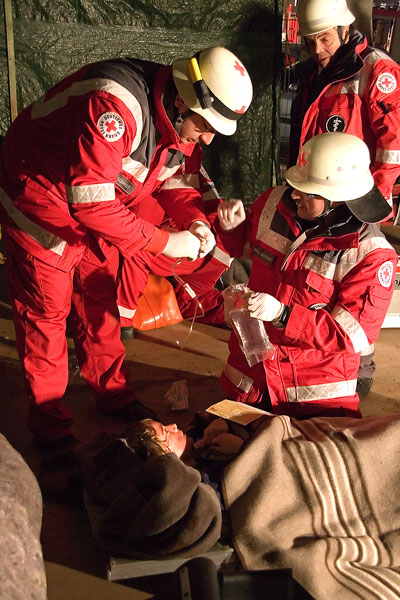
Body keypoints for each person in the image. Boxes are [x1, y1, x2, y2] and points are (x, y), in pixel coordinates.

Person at [0, 46, 252, 451]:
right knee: (47, 312)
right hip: (40, 195)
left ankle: (112, 393)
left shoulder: (179, 118)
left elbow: (177, 180)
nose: (207, 137)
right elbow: (91, 203)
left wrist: (195, 221)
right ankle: (51, 432)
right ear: (183, 100)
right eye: (205, 126)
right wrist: (166, 241)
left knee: (99, 295)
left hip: (94, 199)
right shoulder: (114, 105)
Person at [218, 132, 397, 419]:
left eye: (308, 191)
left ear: (338, 199)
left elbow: (349, 335)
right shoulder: (273, 203)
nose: (294, 195)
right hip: (252, 380)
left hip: (311, 396)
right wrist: (233, 230)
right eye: (295, 185)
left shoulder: (371, 255)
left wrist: (282, 315)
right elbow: (248, 248)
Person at [287, 0, 400, 400]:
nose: (316, 48)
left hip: (353, 196)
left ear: (344, 29)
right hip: (318, 191)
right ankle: (316, 355)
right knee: (320, 276)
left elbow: (392, 145)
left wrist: (371, 203)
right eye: (310, 41)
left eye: (324, 39)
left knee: (356, 282)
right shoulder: (319, 72)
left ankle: (360, 366)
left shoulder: (376, 71)